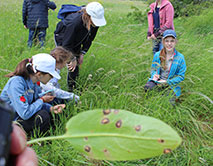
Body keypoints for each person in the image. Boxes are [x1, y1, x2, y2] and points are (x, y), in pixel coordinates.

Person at [0, 53, 65, 136]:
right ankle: (40, 141)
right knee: (43, 116)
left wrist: (51, 108)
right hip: (10, 122)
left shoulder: (34, 82)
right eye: (50, 75)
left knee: (55, 102)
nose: (52, 78)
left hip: (20, 116)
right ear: (39, 74)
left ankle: (50, 134)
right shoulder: (16, 83)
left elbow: (35, 101)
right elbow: (25, 113)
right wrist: (42, 100)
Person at [54, 2, 107, 91]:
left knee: (75, 66)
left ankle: (72, 89)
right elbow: (66, 44)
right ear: (88, 16)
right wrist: (72, 58)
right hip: (63, 39)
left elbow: (90, 38)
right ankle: (52, 85)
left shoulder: (94, 24)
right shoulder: (74, 23)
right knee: (61, 60)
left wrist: (82, 52)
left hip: (77, 39)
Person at [144, 30, 186, 104]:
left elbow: (181, 76)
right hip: (158, 82)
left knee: (170, 102)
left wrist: (167, 82)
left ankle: (165, 95)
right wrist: (154, 76)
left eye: (172, 41)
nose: (169, 44)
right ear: (163, 42)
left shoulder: (180, 57)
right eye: (167, 41)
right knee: (148, 87)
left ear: (175, 42)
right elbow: (153, 69)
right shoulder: (157, 55)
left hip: (171, 84)